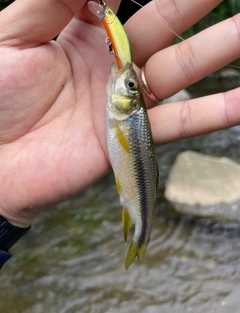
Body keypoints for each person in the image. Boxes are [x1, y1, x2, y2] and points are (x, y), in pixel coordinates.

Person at [0, 0, 239, 266]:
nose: (125, 80)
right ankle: (141, 236)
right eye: (130, 84)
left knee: (136, 206)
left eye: (129, 85)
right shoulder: (124, 114)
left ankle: (140, 235)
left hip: (132, 176)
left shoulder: (127, 115)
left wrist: (5, 211)